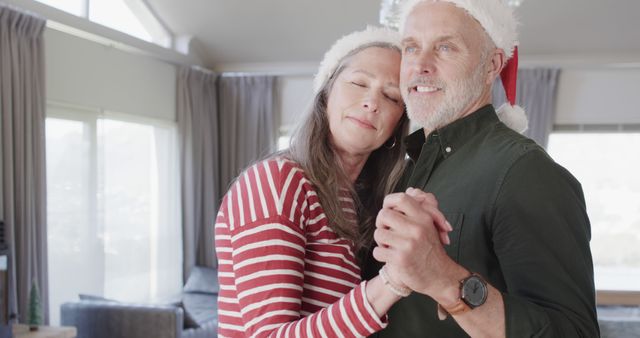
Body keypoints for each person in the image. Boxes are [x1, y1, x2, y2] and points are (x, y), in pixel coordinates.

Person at [365, 0, 600, 337]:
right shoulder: (402, 169)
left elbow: (573, 333)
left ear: (491, 66)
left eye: (445, 47)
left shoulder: (525, 172)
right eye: (411, 47)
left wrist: (445, 278)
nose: (421, 65)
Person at [214, 26, 451, 338]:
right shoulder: (276, 181)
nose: (372, 102)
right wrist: (393, 282)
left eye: (391, 96)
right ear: (326, 93)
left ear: (397, 125)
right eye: (358, 83)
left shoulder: (355, 201)